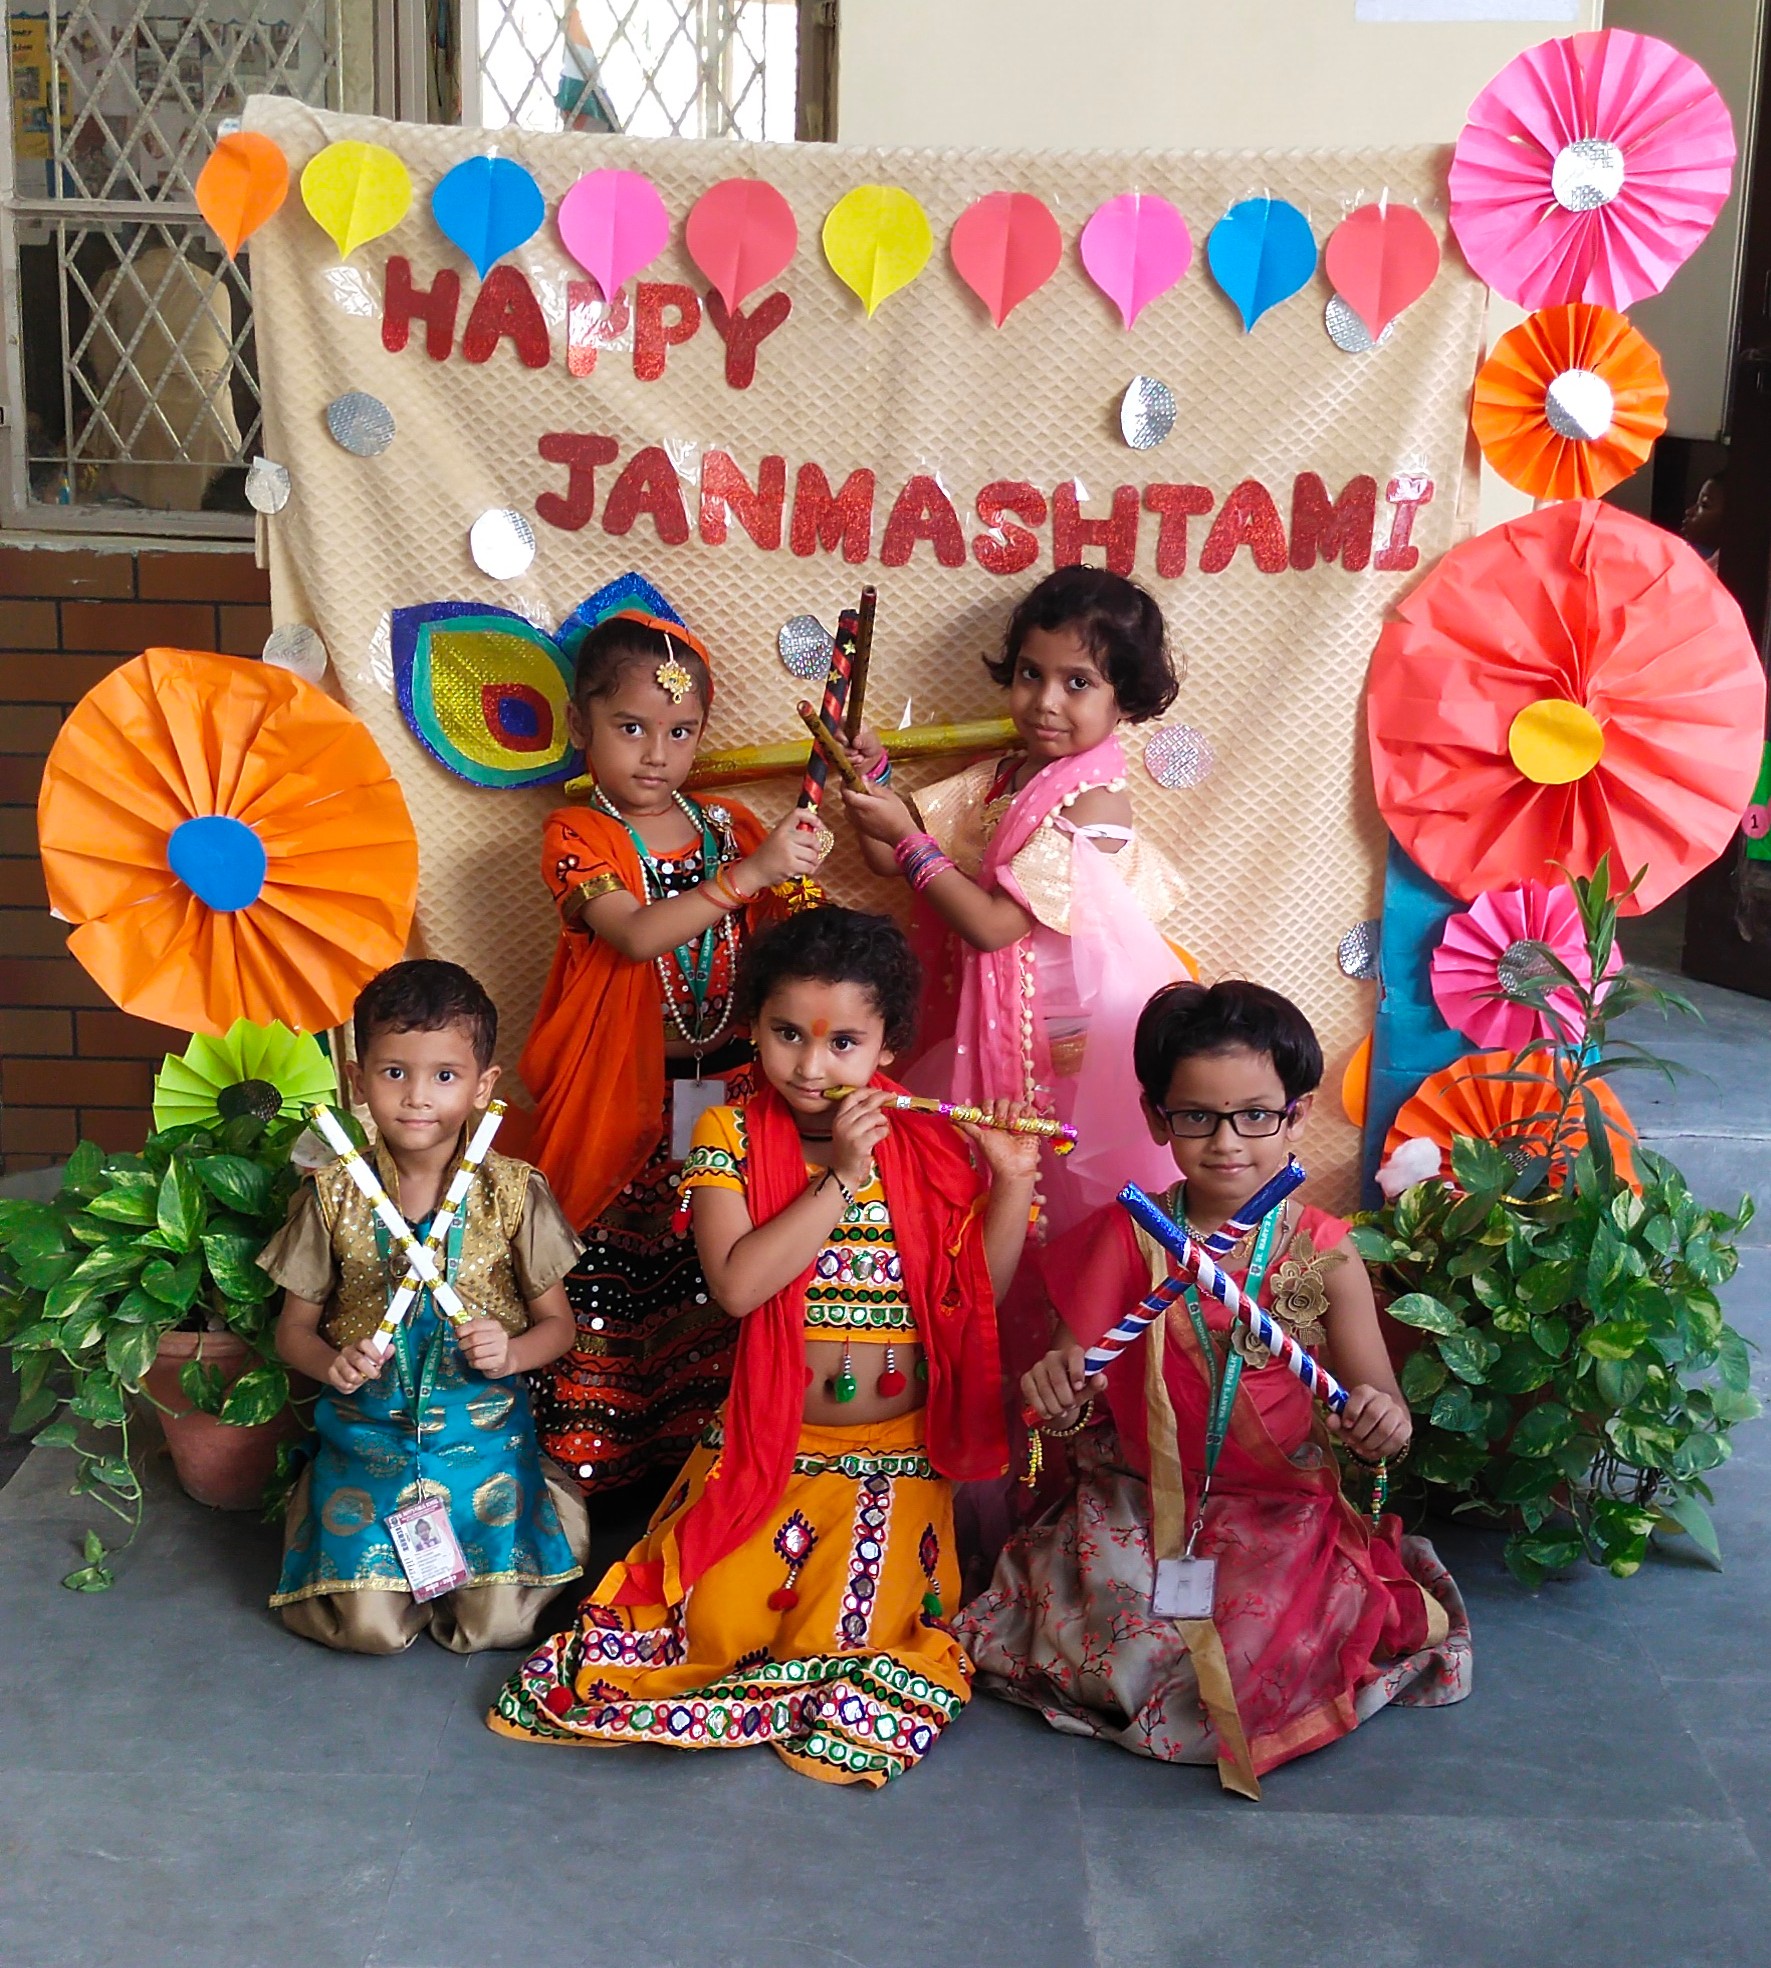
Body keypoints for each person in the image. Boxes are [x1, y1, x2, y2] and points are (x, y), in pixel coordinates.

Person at [488, 909, 1039, 1784]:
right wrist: (840, 1181)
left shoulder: (932, 1142)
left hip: (892, 1458)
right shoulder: (729, 1134)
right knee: (707, 1629)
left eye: (843, 1042)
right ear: (754, 1030)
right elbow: (740, 1286)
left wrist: (1008, 1183)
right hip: (770, 1444)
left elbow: (976, 1303)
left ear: (888, 1047)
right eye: (787, 1034)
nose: (811, 1066)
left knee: (846, 1643)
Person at [953, 981, 1471, 1793]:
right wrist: (1056, 1394)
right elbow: (1071, 1380)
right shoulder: (1128, 1236)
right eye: (1196, 1116)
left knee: (1270, 1646)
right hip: (1139, 1494)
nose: (1227, 1142)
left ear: (1296, 1115)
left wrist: (1378, 1421)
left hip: (1280, 1507)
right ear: (1159, 1118)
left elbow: (1380, 1403)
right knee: (1123, 1647)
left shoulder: (1325, 1251)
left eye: (1254, 1115)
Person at [519, 607, 825, 1503]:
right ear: (581, 729)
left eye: (679, 732)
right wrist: (750, 878)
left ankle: (705, 1478)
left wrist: (799, 877)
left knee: (714, 1274)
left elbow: (785, 945)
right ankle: (598, 1478)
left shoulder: (728, 825)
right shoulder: (577, 835)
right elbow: (634, 938)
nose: (655, 753)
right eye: (630, 729)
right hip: (624, 1102)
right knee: (612, 1280)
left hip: (731, 1095)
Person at [837, 565, 1191, 1242]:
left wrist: (907, 837)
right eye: (1031, 674)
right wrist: (871, 783)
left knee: (1053, 1204)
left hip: (1063, 1051)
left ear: (1126, 700)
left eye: (1077, 682)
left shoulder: (1095, 800)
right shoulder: (1009, 774)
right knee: (979, 1187)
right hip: (988, 1024)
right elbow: (890, 861)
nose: (1045, 702)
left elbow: (994, 926)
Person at [262, 960, 590, 1654]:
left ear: (483, 1085)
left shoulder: (512, 1191)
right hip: (368, 1441)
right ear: (357, 1080)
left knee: (496, 1627)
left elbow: (558, 1326)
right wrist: (330, 1363)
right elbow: (291, 1329)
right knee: (367, 1632)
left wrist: (514, 1351)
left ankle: (544, 1501)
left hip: (483, 1450)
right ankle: (318, 1503)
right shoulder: (333, 1193)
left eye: (444, 1075)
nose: (417, 1098)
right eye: (392, 1073)